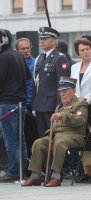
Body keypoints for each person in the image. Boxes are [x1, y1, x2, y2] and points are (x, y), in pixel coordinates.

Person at [21, 77, 88, 187]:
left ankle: (56, 177)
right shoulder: (59, 106)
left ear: (74, 91)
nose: (62, 94)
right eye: (60, 92)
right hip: (58, 135)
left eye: (65, 91)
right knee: (38, 143)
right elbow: (56, 126)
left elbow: (80, 120)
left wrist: (62, 115)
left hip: (74, 135)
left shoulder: (80, 104)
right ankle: (35, 176)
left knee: (59, 143)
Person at [0, 29, 31, 182]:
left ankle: (13, 171)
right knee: (21, 139)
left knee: (10, 139)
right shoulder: (18, 55)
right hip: (21, 103)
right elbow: (28, 76)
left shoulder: (3, 57)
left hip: (7, 103)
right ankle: (22, 170)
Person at [32, 27, 70, 138]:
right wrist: (35, 105)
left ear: (54, 41)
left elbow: (63, 85)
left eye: (45, 39)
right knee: (43, 139)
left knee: (53, 139)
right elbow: (36, 83)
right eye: (41, 39)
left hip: (52, 106)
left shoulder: (59, 58)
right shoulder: (39, 58)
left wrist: (59, 107)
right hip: (40, 105)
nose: (42, 41)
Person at [70, 38, 91, 183]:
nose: (86, 52)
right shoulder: (74, 67)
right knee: (81, 138)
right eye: (82, 50)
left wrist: (87, 100)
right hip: (78, 106)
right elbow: (73, 87)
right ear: (78, 53)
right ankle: (85, 171)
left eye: (88, 49)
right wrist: (76, 102)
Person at [15, 38, 38, 159]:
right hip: (17, 105)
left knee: (32, 138)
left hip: (31, 107)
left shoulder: (36, 63)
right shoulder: (13, 63)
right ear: (17, 50)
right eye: (22, 49)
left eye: (28, 48)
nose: (26, 51)